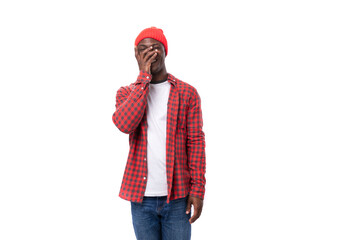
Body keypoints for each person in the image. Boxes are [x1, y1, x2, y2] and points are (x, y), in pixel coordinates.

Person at [112, 27, 206, 240]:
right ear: (136, 55)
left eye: (155, 48)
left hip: (177, 197)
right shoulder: (126, 93)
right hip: (141, 197)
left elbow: (196, 143)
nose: (150, 53)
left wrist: (198, 189)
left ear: (165, 51)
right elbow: (124, 124)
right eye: (143, 50)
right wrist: (143, 77)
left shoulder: (187, 93)